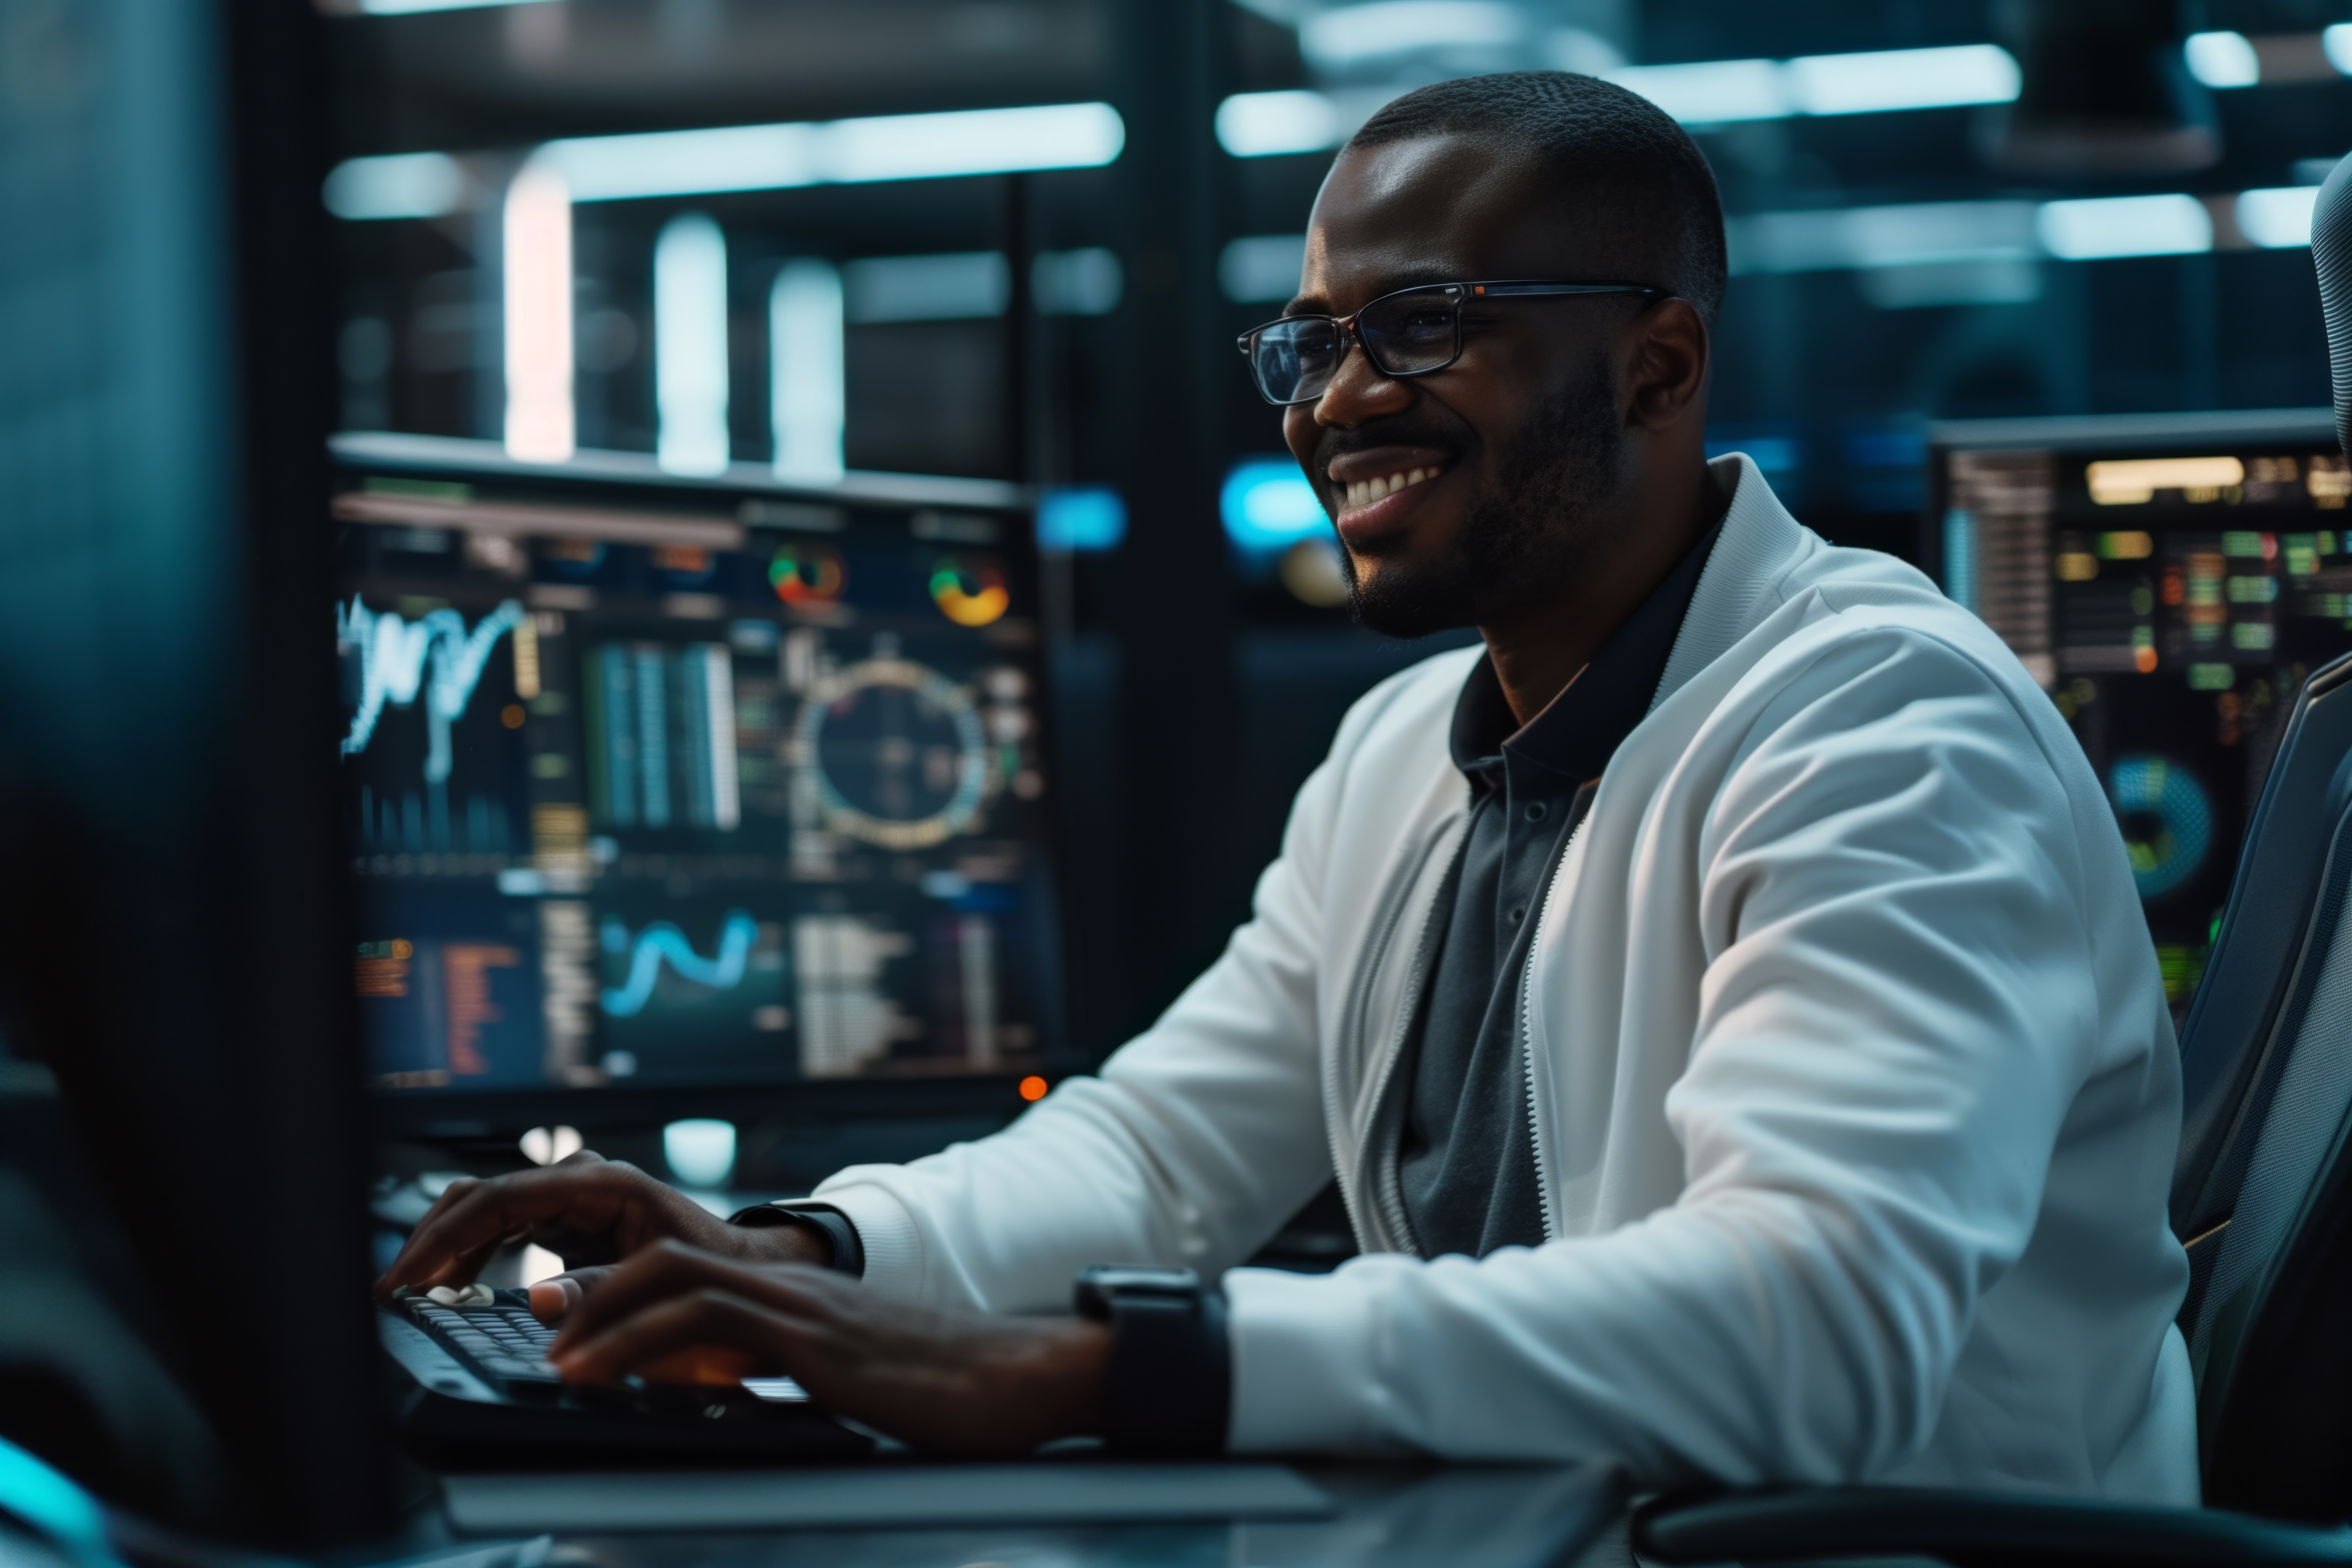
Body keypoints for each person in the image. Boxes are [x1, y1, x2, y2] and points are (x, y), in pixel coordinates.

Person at [382, 72, 2195, 1497]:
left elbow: (1816, 1326)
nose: (1333, 401)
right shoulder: (1407, 750)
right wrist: (803, 1249)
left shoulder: (1882, 731)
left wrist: (1111, 1363)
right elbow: (1162, 1150)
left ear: (1657, 364)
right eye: (1313, 341)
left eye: (1420, 324)